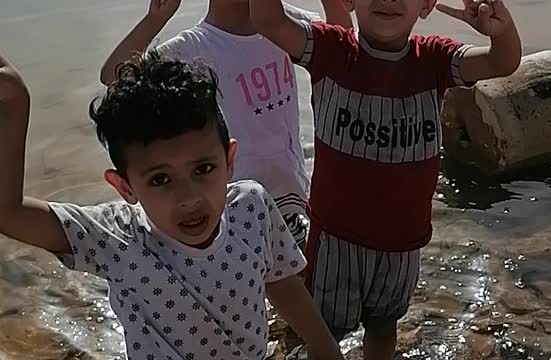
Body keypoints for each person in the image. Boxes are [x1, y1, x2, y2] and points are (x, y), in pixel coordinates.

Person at [0, 50, 344, 360]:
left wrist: (325, 347)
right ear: (124, 187)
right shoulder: (117, 238)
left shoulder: (251, 206)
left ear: (229, 160)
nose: (189, 198)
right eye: (160, 180)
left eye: (203, 169)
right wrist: (17, 102)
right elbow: (10, 213)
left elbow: (281, 282)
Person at [248, 0, 522, 358]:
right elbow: (268, 20)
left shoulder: (434, 61)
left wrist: (501, 32)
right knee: (320, 331)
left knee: (383, 325)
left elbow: (502, 62)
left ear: (426, 4)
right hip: (336, 242)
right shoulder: (331, 51)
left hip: (402, 245)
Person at [99, 0, 352, 251]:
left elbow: (343, 52)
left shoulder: (281, 23)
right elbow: (115, 76)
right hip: (232, 204)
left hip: (289, 194)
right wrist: (156, 19)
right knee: (243, 280)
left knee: (293, 277)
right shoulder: (197, 45)